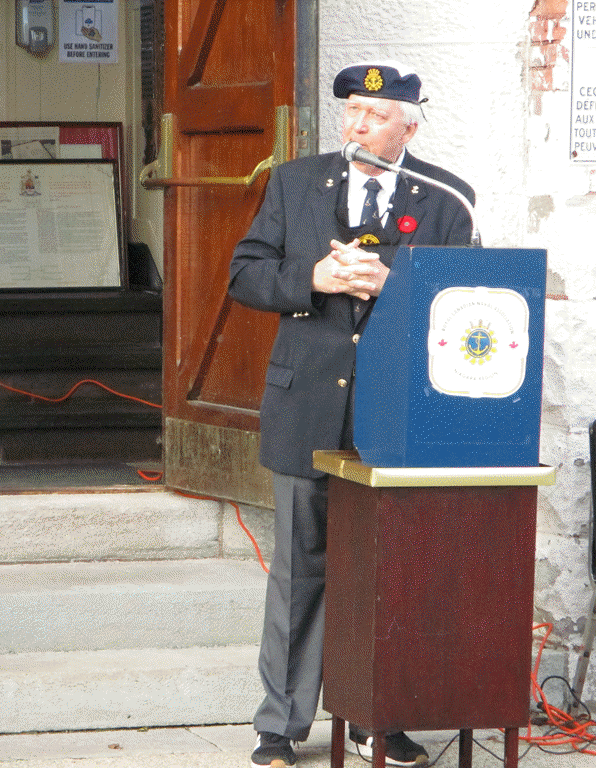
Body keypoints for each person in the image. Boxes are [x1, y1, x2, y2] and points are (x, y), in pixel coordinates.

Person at [228, 61, 475, 768]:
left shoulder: (446, 199)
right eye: (350, 113)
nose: (356, 125)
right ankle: (278, 728)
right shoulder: (296, 182)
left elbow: (469, 303)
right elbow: (245, 274)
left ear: (409, 124)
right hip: (307, 403)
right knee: (300, 570)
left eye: (374, 115)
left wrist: (396, 285)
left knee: (388, 570)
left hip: (395, 413)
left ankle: (376, 718)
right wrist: (314, 278)